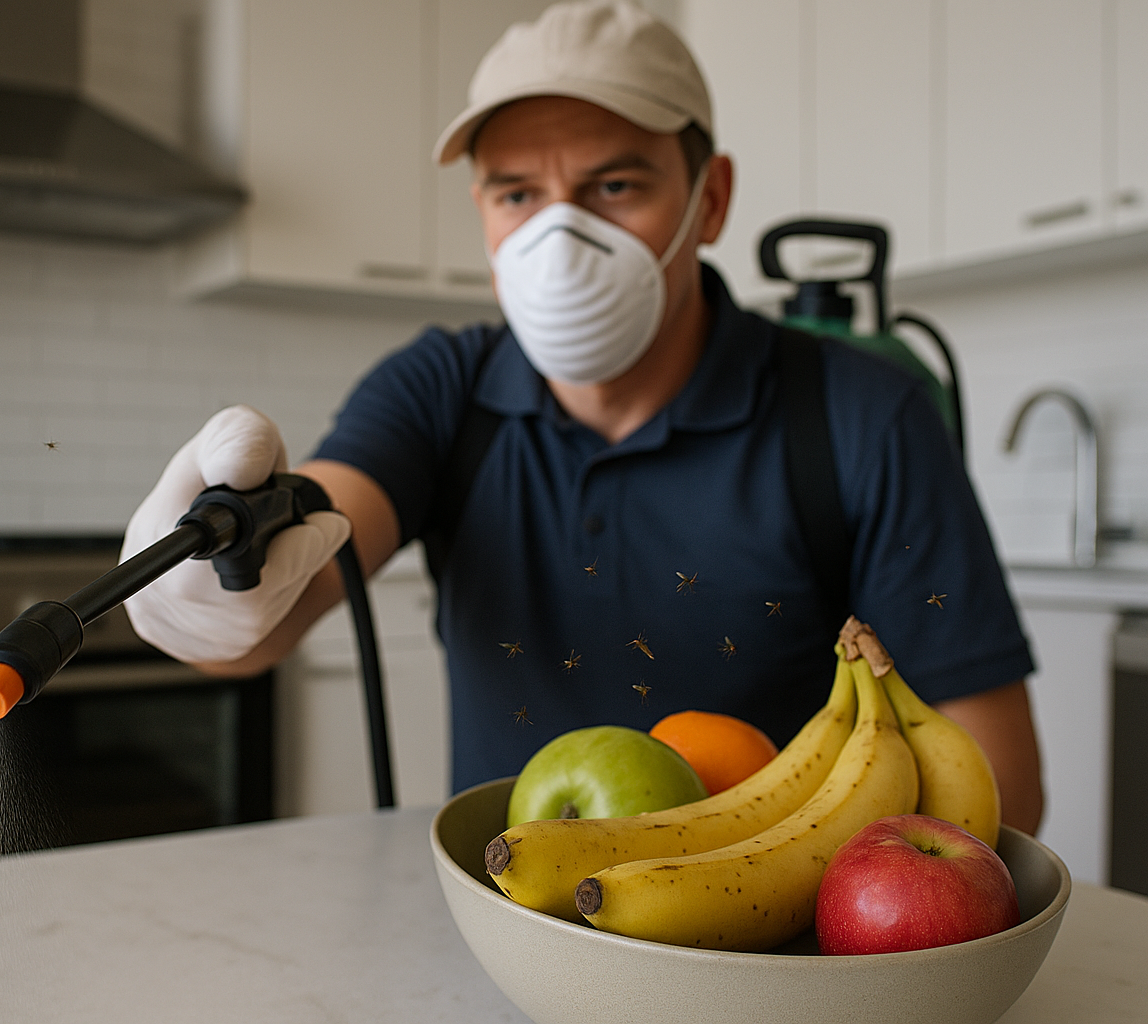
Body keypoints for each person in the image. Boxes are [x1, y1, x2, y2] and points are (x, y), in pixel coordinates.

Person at [122, 0, 1045, 833]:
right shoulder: (441, 389)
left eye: (615, 187)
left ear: (709, 200)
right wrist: (225, 577)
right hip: (507, 922)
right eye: (516, 193)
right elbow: (313, 550)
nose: (558, 239)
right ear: (481, 209)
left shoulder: (861, 414)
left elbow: (996, 775)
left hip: (768, 943)